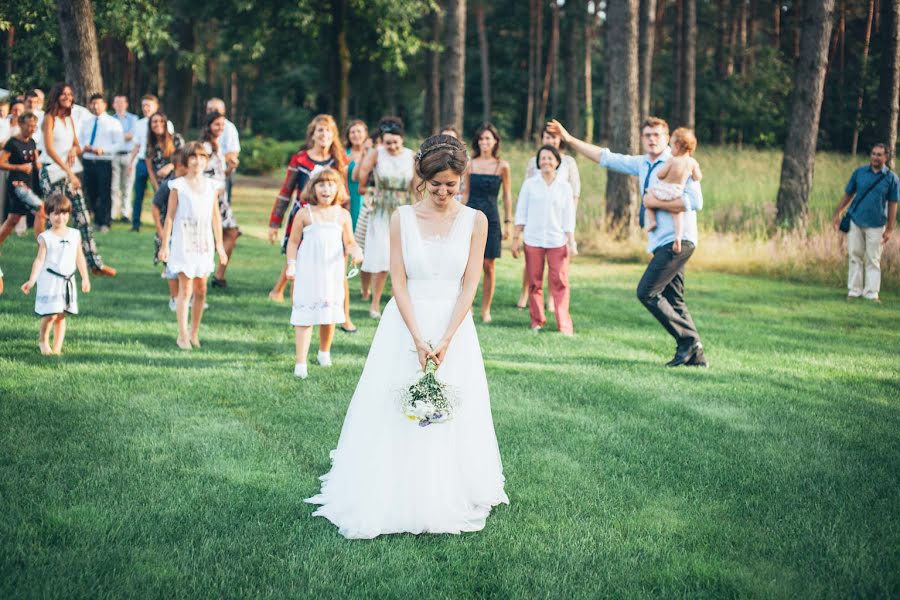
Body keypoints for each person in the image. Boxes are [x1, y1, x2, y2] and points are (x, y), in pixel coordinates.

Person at [305, 134, 509, 539]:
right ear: (422, 178)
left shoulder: (476, 221)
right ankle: (392, 484)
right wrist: (418, 337)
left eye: (452, 185)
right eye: (436, 185)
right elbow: (397, 279)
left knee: (453, 404)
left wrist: (447, 337)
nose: (444, 192)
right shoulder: (401, 217)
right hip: (406, 324)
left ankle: (449, 487)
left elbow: (470, 283)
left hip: (454, 325)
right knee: (395, 403)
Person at [547, 117, 707, 367]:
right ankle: (695, 356)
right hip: (661, 241)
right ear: (642, 139)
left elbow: (695, 202)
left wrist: (655, 203)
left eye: (657, 135)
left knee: (647, 291)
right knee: (674, 299)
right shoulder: (642, 163)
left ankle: (688, 341)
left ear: (668, 139)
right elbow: (606, 157)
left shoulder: (680, 162)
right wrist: (568, 139)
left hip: (678, 240)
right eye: (648, 135)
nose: (652, 139)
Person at [268, 115, 354, 330]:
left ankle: (343, 315)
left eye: (328, 131)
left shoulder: (338, 160)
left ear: (333, 135)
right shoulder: (300, 159)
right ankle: (301, 309)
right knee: (299, 263)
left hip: (333, 219)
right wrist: (274, 222)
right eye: (319, 130)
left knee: (337, 267)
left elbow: (343, 194)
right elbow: (286, 191)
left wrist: (345, 220)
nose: (323, 135)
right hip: (305, 216)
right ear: (312, 134)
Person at [285, 168, 363, 379]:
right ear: (313, 188)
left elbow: (349, 241)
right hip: (308, 271)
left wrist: (356, 251)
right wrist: (291, 264)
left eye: (331, 184)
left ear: (338, 188)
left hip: (331, 272)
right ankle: (300, 363)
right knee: (305, 316)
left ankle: (324, 351)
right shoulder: (304, 213)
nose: (326, 189)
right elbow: (293, 242)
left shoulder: (342, 215)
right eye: (321, 184)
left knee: (328, 314)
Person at [39, 83, 116, 277]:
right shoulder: (49, 119)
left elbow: (77, 146)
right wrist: (69, 171)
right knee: (55, 220)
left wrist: (74, 149)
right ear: (56, 96)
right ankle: (51, 263)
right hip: (52, 173)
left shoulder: (69, 120)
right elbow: (49, 149)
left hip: (69, 175)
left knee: (82, 218)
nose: (67, 97)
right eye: (63, 94)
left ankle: (95, 264)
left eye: (70, 94)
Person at [158, 142, 228, 350]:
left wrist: (220, 246)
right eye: (193, 157)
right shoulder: (178, 186)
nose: (198, 162)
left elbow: (216, 218)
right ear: (186, 161)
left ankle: (194, 332)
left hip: (203, 243)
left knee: (201, 289)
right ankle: (182, 335)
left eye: (202, 157)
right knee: (185, 289)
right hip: (183, 242)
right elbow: (169, 216)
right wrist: (165, 245)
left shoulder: (211, 186)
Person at [511, 145, 577, 335]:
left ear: (557, 162)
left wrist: (571, 242)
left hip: (558, 241)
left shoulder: (564, 187)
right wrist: (516, 238)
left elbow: (569, 217)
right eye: (543, 158)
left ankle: (564, 324)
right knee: (534, 282)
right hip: (533, 239)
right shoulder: (530, 184)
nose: (546, 162)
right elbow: (521, 212)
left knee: (560, 282)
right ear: (538, 162)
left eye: (550, 158)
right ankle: (537, 321)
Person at [354, 117, 415, 319]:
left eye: (395, 142)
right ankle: (375, 304)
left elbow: (416, 184)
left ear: (402, 140)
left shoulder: (411, 156)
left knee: (404, 257)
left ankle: (403, 303)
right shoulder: (376, 154)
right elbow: (361, 177)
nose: (392, 146)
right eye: (388, 142)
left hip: (402, 207)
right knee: (381, 256)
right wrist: (366, 189)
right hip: (380, 208)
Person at [518, 123, 582, 311]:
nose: (551, 140)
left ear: (559, 139)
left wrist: (569, 219)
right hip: (536, 218)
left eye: (554, 137)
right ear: (543, 139)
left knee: (556, 265)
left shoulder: (569, 162)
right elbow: (527, 189)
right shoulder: (534, 162)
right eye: (547, 137)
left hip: (559, 217)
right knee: (532, 262)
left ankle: (551, 299)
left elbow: (575, 191)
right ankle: (525, 293)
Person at [20, 192, 91, 355]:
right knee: (51, 313)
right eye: (56, 213)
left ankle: (57, 347)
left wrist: (85, 278)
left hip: (68, 280)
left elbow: (79, 257)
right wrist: (31, 280)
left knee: (61, 315)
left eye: (64, 213)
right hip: (50, 280)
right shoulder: (46, 237)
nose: (61, 218)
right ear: (48, 215)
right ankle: (43, 340)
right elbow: (39, 261)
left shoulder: (75, 234)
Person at [832, 143, 899, 302]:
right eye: (873, 154)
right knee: (855, 256)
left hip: (877, 225)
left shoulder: (892, 179)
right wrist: (838, 212)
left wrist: (889, 229)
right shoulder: (859, 173)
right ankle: (854, 292)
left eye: (879, 154)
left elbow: (893, 205)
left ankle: (871, 294)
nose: (875, 157)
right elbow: (848, 194)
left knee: (873, 259)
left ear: (886, 157)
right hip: (856, 221)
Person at [461, 123, 512, 323]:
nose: (484, 142)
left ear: (495, 141)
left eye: (488, 138)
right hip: (471, 215)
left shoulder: (502, 166)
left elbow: (507, 195)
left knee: (488, 265)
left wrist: (508, 222)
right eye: (481, 139)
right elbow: (464, 194)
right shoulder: (470, 164)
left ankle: (486, 309)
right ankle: (468, 306)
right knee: (467, 263)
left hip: (491, 216)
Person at [644, 128, 702, 254]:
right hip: (677, 192)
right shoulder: (692, 162)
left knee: (647, 196)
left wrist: (663, 175)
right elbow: (697, 177)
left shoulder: (672, 160)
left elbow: (660, 175)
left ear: (676, 146)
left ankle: (652, 221)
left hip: (665, 189)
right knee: (678, 214)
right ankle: (678, 237)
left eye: (671, 145)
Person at [200, 111, 240, 289]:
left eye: (223, 125)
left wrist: (230, 167)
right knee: (213, 235)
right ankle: (205, 273)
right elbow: (201, 173)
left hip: (221, 199)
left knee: (231, 233)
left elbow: (219, 174)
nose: (220, 128)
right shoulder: (205, 147)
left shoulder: (217, 146)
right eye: (217, 124)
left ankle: (218, 275)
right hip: (209, 198)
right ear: (209, 126)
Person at [80, 93, 124, 232]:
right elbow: (80, 139)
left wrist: (103, 150)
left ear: (105, 105)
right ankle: (97, 219)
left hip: (104, 161)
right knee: (91, 191)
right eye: (93, 103)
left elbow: (119, 143)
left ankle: (105, 222)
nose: (96, 106)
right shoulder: (86, 122)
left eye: (98, 103)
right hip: (88, 160)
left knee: (104, 192)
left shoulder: (113, 122)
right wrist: (84, 147)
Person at [0, 113, 46, 246]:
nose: (32, 129)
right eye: (29, 126)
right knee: (40, 208)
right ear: (20, 124)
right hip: (17, 184)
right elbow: (1, 163)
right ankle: (43, 250)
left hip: (29, 183)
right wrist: (19, 167)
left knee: (13, 219)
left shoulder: (32, 142)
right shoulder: (13, 143)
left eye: (34, 126)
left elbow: (37, 162)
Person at [129, 94, 172, 231]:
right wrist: (131, 162)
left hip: (159, 163)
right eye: (143, 105)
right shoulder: (139, 124)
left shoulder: (167, 123)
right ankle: (135, 224)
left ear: (156, 106)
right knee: (138, 194)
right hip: (142, 161)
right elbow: (136, 145)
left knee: (160, 192)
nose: (145, 108)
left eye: (149, 105)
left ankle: (163, 221)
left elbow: (170, 144)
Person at [152, 148, 187, 311]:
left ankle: (187, 297)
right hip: (170, 231)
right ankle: (174, 298)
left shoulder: (191, 184)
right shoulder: (168, 184)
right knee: (172, 268)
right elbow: (155, 207)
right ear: (179, 165)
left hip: (187, 232)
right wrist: (160, 229)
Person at [205, 98, 240, 204]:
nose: (212, 112)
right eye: (209, 109)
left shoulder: (228, 128)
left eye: (215, 109)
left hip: (222, 174)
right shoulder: (205, 129)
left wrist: (213, 160)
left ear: (223, 111)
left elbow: (233, 153)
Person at [110, 94, 139, 223]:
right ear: (113, 105)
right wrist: (124, 135)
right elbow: (109, 137)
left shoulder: (133, 119)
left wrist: (117, 136)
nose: (120, 105)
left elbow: (133, 135)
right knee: (114, 186)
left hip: (129, 155)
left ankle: (125, 214)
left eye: (122, 102)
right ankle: (112, 213)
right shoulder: (110, 119)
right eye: (117, 102)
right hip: (114, 156)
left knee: (127, 186)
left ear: (126, 104)